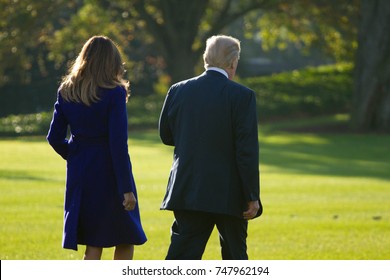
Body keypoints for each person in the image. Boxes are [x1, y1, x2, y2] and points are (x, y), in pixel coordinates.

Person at [158, 35, 262, 260]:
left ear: (205, 58)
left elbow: (166, 136)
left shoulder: (177, 90)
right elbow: (247, 152)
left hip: (189, 187)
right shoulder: (243, 97)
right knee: (234, 258)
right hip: (230, 192)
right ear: (233, 62)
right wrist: (252, 195)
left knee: (181, 258)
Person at [47, 35, 147, 260]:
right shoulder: (114, 92)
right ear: (112, 61)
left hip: (81, 171)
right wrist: (126, 188)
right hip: (109, 171)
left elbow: (54, 137)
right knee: (125, 236)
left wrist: (75, 156)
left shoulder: (66, 90)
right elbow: (118, 144)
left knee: (93, 241)